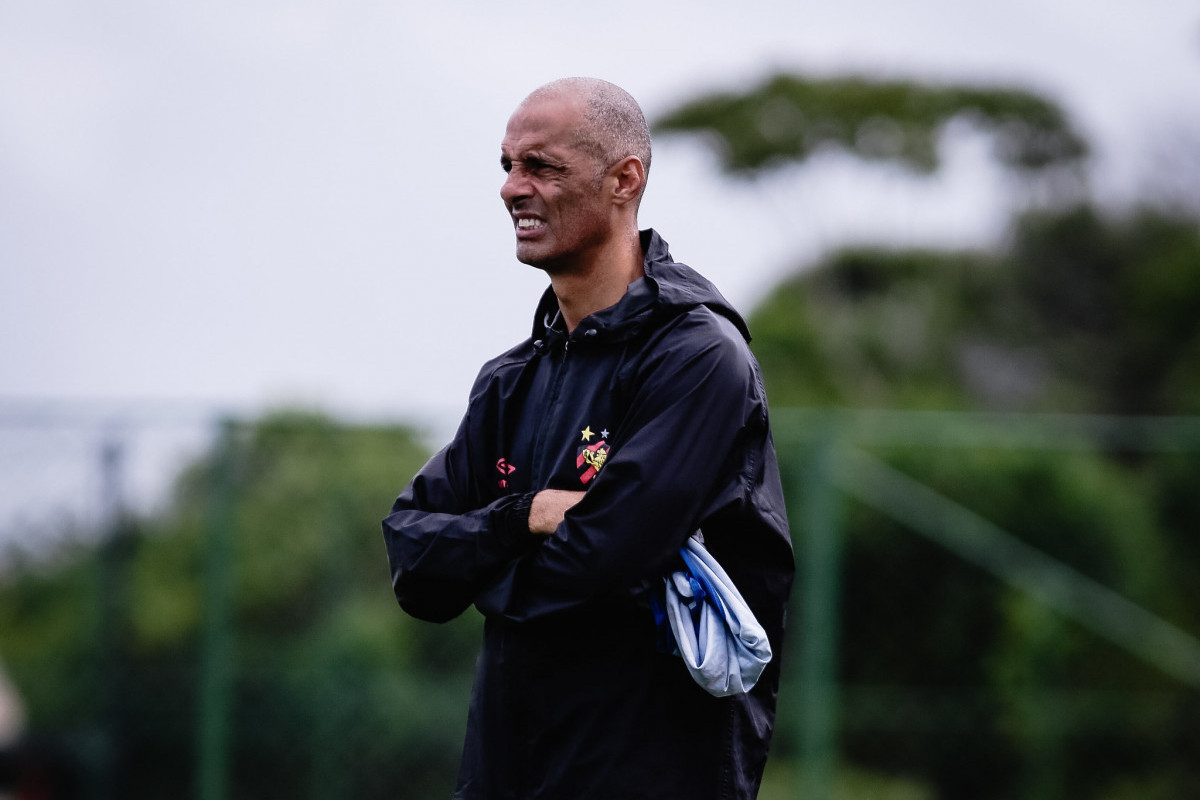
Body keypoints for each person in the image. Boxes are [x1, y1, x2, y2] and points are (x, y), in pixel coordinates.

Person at [383, 77, 794, 800]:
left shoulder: (698, 358)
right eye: (506, 165)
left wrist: (478, 560)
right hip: (506, 768)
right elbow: (414, 562)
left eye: (540, 166)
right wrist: (525, 516)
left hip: (650, 770)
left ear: (623, 179)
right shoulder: (509, 379)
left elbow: (595, 563)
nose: (513, 189)